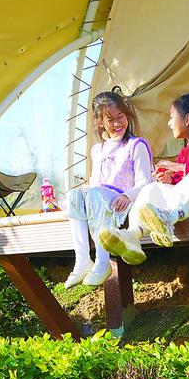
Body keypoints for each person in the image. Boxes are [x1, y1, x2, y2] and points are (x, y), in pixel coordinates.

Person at [99, 92, 189, 264]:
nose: (169, 123)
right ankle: (132, 235)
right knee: (151, 188)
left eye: (171, 117)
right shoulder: (186, 152)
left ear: (187, 119)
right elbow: (186, 183)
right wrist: (171, 179)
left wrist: (180, 168)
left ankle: (168, 219)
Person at [63, 88, 154, 287]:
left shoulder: (136, 145)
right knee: (74, 195)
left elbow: (145, 182)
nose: (117, 123)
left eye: (120, 117)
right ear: (100, 122)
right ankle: (82, 260)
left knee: (95, 194)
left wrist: (128, 196)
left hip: (124, 204)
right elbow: (95, 182)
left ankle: (102, 261)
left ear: (127, 115)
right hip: (100, 204)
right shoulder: (97, 150)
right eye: (110, 120)